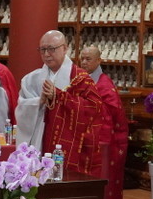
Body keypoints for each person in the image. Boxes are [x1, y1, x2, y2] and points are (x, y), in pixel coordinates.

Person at [16, 30, 105, 176]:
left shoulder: (80, 79)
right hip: (41, 140)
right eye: (42, 49)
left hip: (68, 146)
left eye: (52, 49)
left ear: (65, 48)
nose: (46, 54)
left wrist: (59, 96)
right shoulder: (31, 80)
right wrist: (39, 102)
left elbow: (93, 108)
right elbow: (22, 107)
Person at [78, 45, 129, 199]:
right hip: (82, 134)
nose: (84, 62)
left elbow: (112, 111)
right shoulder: (79, 78)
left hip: (101, 137)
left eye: (88, 59)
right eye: (82, 58)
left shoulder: (104, 83)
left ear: (98, 60)